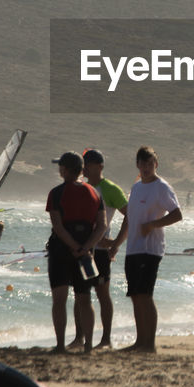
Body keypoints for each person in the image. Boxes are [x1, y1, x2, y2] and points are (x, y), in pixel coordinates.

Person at [113, 145, 182, 353]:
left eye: (150, 163)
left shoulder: (161, 187)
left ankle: (149, 344)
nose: (146, 167)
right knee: (135, 295)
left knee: (145, 295)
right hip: (132, 248)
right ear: (137, 165)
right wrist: (116, 244)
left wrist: (153, 225)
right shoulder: (136, 187)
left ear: (156, 165)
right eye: (142, 163)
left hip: (150, 249)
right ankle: (139, 341)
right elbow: (129, 217)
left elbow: (177, 214)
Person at [45, 152, 106, 353]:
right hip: (86, 252)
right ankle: (88, 345)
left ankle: (61, 345)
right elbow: (101, 226)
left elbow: (58, 226)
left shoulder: (56, 193)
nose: (59, 170)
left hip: (61, 251)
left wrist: (73, 247)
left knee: (59, 299)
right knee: (85, 298)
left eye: (60, 167)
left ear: (65, 170)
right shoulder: (95, 193)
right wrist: (85, 248)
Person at [74, 148, 127, 350]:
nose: (84, 167)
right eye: (83, 164)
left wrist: (115, 243)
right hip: (84, 250)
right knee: (80, 294)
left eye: (88, 164)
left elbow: (129, 216)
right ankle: (79, 338)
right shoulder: (82, 188)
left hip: (101, 252)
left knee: (102, 294)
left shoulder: (110, 189)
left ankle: (106, 339)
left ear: (100, 166)